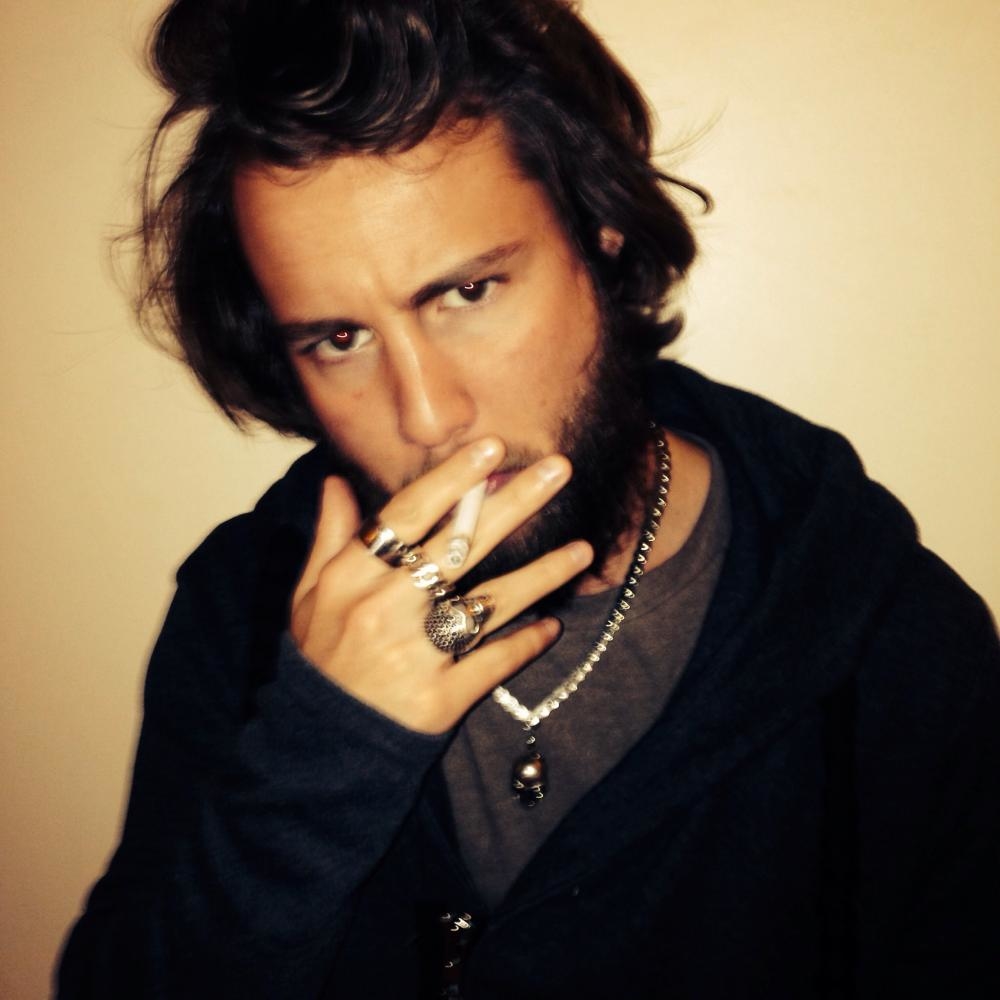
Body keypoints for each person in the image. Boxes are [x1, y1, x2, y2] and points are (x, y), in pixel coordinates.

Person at [57, 1, 999, 997]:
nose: (426, 414)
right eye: (339, 339)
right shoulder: (246, 609)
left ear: (600, 234)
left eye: (467, 292)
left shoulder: (891, 643)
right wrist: (323, 748)